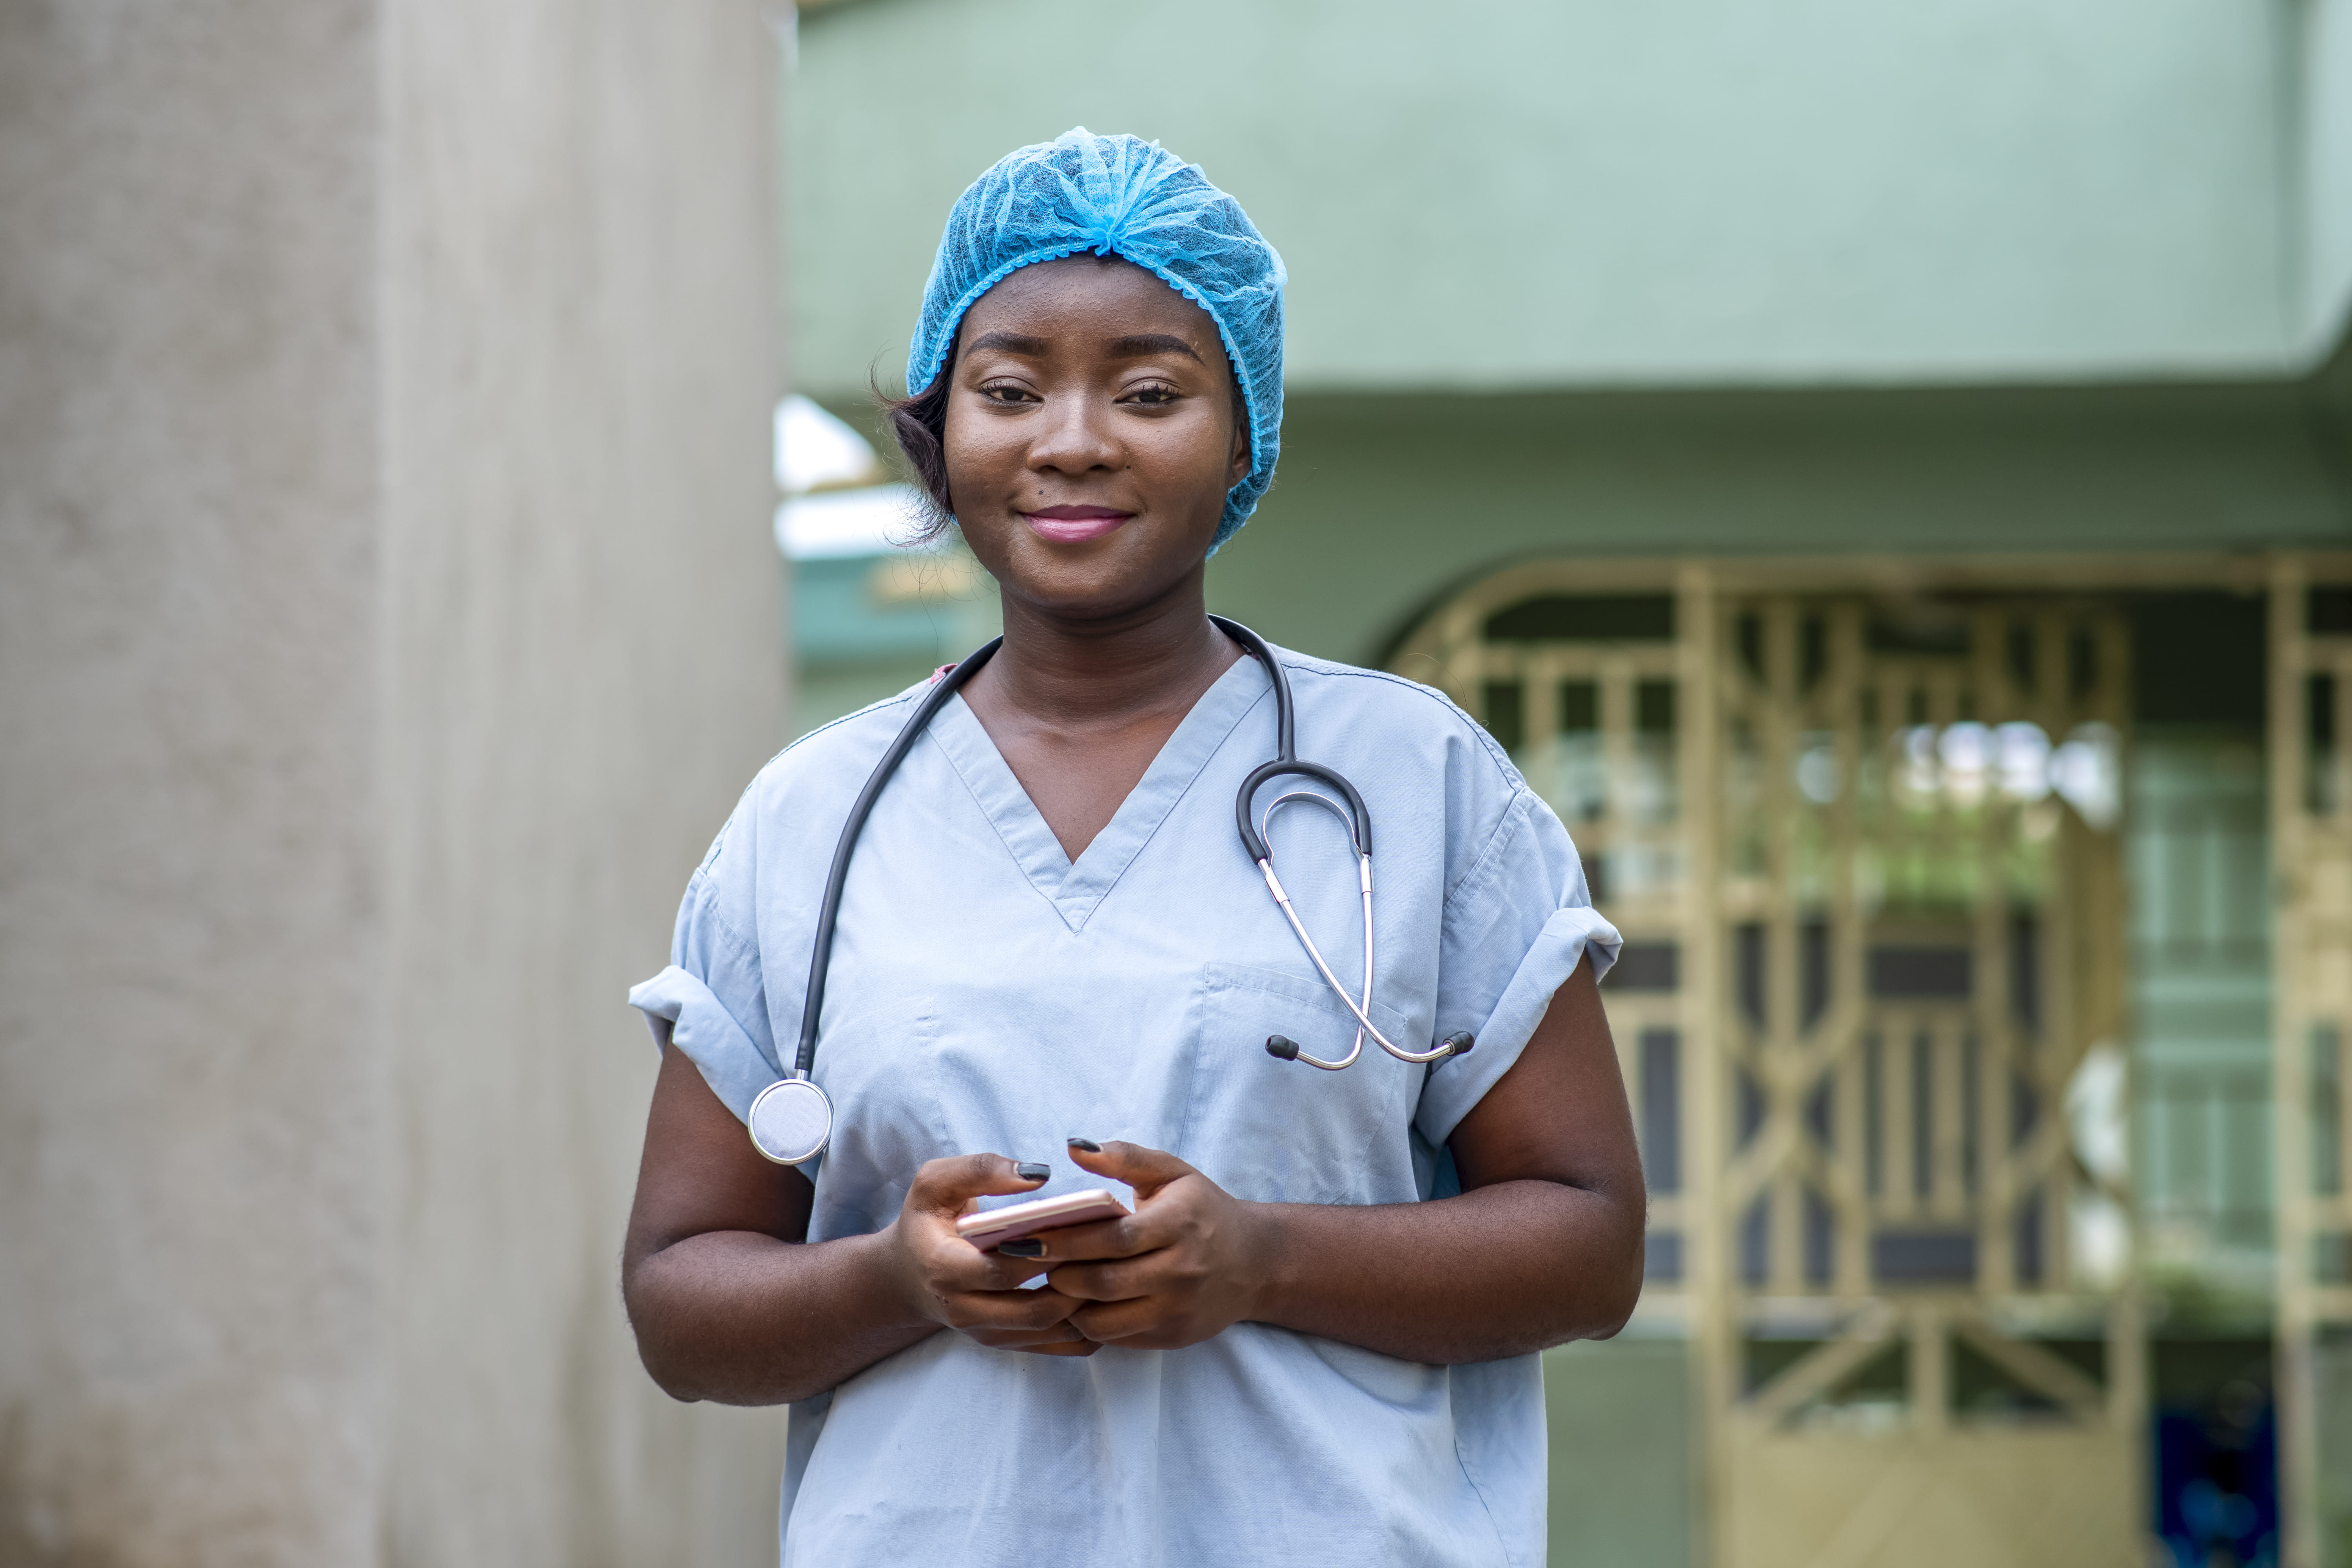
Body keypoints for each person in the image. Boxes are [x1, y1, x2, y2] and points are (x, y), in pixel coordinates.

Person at [621, 128, 1644, 1566]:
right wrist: (895, 1281)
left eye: (1150, 390)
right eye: (1010, 389)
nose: (1073, 439)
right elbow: (680, 1299)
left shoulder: (1417, 784)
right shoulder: (810, 821)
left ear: (1244, 435)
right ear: (941, 431)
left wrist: (1266, 1260)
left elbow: (1589, 1246)